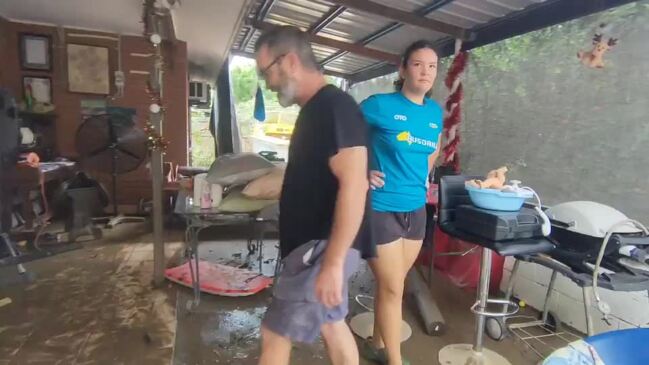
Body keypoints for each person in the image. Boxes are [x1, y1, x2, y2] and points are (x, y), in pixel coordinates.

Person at [254, 25, 373, 365]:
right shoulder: (316, 109)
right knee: (333, 325)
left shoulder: (334, 107)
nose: (268, 83)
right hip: (316, 250)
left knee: (275, 334)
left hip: (319, 250)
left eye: (267, 73)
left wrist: (333, 264)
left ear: (289, 61)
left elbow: (355, 184)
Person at [359, 40, 443, 365]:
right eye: (418, 64)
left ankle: (376, 343)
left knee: (393, 283)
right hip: (380, 207)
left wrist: (425, 173)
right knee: (394, 288)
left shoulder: (434, 112)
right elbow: (339, 132)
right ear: (403, 68)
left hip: (416, 210)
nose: (425, 71)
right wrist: (362, 167)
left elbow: (432, 148)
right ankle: (393, 360)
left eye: (432, 66)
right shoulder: (378, 105)